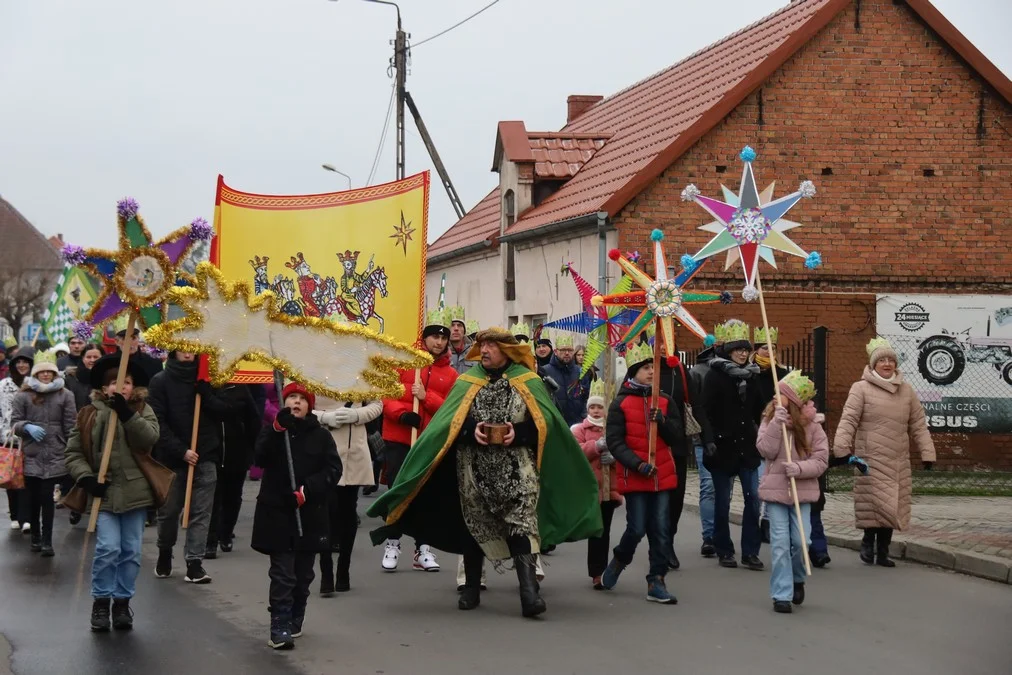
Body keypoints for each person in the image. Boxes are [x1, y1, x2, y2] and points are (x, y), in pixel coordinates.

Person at [368, 326, 601, 617]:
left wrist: (518, 432)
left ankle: (529, 593)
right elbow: (448, 421)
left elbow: (546, 423)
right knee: (474, 523)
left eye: (491, 346)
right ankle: (471, 587)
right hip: (473, 466)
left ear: (507, 351)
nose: (485, 351)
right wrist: (470, 431)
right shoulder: (467, 381)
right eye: (483, 345)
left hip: (518, 467)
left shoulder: (529, 381)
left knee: (522, 525)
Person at [64, 355, 164, 631]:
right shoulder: (90, 413)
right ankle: (101, 601)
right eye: (113, 383)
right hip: (103, 492)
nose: (120, 388)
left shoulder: (142, 410)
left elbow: (150, 439)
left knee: (130, 551)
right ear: (104, 387)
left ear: (134, 387)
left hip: (136, 492)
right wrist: (87, 478)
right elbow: (73, 452)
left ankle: (122, 602)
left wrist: (128, 414)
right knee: (108, 549)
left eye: (126, 383)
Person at [253, 382, 341, 650]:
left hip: (309, 514)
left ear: (309, 405)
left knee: (303, 576)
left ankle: (296, 615)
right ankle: (278, 625)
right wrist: (277, 430)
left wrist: (307, 490)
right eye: (291, 397)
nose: (296, 403)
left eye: (302, 399)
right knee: (282, 574)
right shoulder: (274, 431)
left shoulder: (321, 436)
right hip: (277, 513)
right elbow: (259, 458)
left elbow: (333, 470)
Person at [833, 337, 935, 567]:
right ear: (873, 365)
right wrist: (841, 449)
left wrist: (927, 453)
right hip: (870, 458)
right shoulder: (860, 389)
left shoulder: (906, 391)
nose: (887, 364)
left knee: (892, 505)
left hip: (898, 459)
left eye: (891, 360)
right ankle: (868, 543)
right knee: (875, 503)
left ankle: (883, 551)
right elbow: (849, 419)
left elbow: (918, 424)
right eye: (882, 360)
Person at [600, 341, 682, 604]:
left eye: (653, 368)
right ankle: (619, 560)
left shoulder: (665, 402)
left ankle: (656, 580)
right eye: (645, 367)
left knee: (660, 529)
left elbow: (677, 437)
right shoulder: (621, 403)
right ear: (634, 371)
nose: (650, 372)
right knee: (636, 528)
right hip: (636, 475)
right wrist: (636, 464)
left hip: (662, 475)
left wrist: (663, 422)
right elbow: (615, 441)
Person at [378, 308, 458, 572]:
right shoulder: (405, 363)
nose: (439, 342)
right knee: (398, 490)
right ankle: (392, 542)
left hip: (428, 441)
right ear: (424, 338)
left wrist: (426, 398)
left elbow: (451, 409)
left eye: (443, 338)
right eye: (434, 336)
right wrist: (402, 415)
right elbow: (387, 394)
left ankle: (423, 548)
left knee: (425, 493)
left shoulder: (451, 374)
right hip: (399, 438)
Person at [149, 351, 227, 584]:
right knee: (169, 512)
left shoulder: (211, 379)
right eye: (182, 345)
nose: (187, 351)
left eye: (191, 346)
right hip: (173, 459)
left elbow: (226, 410)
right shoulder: (160, 381)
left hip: (206, 455)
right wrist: (181, 451)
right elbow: (157, 422)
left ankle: (194, 563)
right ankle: (165, 550)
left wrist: (207, 394)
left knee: (201, 513)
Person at [756, 371, 829, 614]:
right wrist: (777, 423)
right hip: (775, 493)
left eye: (782, 395)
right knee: (779, 544)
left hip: (802, 492)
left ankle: (798, 577)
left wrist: (798, 468)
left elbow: (820, 461)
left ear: (795, 401)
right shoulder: (770, 420)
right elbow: (765, 450)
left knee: (801, 541)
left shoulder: (813, 426)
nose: (777, 398)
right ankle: (781, 594)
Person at [702, 320, 764, 571]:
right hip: (722, 447)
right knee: (722, 502)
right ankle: (724, 548)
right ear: (727, 351)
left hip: (747, 448)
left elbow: (761, 410)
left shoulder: (753, 377)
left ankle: (750, 551)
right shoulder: (714, 376)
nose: (742, 353)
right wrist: (708, 440)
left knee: (754, 499)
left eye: (745, 349)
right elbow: (704, 411)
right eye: (737, 349)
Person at [10, 350, 77, 555]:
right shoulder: (23, 395)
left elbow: (71, 425)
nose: (46, 375)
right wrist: (27, 426)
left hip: (55, 451)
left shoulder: (65, 394)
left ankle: (47, 540)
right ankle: (36, 538)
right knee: (32, 498)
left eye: (49, 372)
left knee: (47, 497)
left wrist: (70, 448)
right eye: (42, 372)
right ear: (36, 374)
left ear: (55, 374)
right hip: (31, 452)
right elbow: (15, 424)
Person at [315, 397, 382, 594]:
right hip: (324, 450)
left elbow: (377, 404)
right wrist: (324, 417)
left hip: (354, 452)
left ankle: (343, 571)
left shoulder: (361, 370)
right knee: (325, 513)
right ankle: (326, 573)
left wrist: (357, 415)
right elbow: (294, 403)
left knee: (348, 514)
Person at [656, 339, 710, 571]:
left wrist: (707, 438)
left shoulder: (680, 371)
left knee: (676, 497)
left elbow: (696, 405)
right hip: (650, 444)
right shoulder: (643, 368)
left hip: (677, 443)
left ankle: (668, 541)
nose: (663, 348)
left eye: (667, 343)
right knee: (657, 499)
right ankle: (658, 544)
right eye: (659, 343)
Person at [571, 380, 621, 589]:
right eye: (593, 406)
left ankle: (600, 572)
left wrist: (615, 456)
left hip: (610, 489)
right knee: (594, 529)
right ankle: (596, 569)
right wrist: (597, 446)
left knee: (604, 530)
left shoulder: (614, 428)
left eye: (600, 407)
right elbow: (577, 452)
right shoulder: (579, 429)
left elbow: (625, 450)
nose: (596, 410)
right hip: (590, 488)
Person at [206, 384, 264, 557]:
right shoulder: (205, 388)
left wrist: (254, 449)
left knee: (232, 497)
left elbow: (253, 419)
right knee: (212, 498)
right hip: (212, 452)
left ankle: (226, 533)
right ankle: (210, 540)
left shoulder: (240, 389)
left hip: (237, 453)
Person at [751, 326, 789, 544]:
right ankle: (759, 519)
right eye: (765, 348)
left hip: (778, 430)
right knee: (760, 480)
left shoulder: (783, 374)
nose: (769, 351)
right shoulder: (751, 372)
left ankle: (766, 522)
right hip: (758, 431)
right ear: (757, 349)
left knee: (772, 479)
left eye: (773, 348)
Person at [1, 347, 33, 532]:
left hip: (28, 438)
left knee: (26, 479)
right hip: (6, 438)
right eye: (18, 362)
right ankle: (14, 515)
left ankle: (26, 518)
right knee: (10, 477)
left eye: (25, 362)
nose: (22, 365)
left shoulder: (33, 384)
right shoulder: (3, 385)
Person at [541, 334, 591, 427]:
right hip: (554, 425)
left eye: (570, 350)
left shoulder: (580, 372)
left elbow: (586, 396)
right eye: (563, 350)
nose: (567, 353)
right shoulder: (544, 371)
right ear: (555, 351)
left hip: (577, 425)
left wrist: (583, 418)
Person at [65, 344, 104, 411]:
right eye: (88, 357)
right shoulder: (70, 379)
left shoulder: (108, 378)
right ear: (83, 358)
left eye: (96, 357)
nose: (92, 360)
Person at [446, 306, 477, 375]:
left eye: (459, 325)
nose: (456, 328)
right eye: (452, 325)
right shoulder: (441, 353)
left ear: (464, 330)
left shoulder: (473, 352)